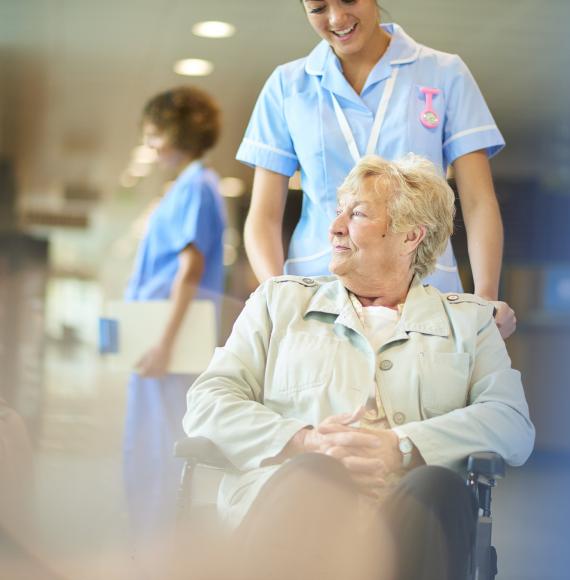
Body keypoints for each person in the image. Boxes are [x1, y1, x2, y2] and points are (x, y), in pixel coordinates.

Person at [183, 155, 534, 580]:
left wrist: (403, 446)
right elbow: (206, 401)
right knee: (317, 474)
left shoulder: (469, 322)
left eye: (358, 214)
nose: (334, 227)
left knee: (439, 486)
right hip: (291, 505)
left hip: (406, 515)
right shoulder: (278, 303)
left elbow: (512, 421)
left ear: (410, 236)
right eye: (338, 212)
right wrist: (304, 441)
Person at [237, 0, 516, 338]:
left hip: (424, 290)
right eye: (318, 8)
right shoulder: (287, 86)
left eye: (349, 0)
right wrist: (275, 295)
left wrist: (486, 298)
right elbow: (264, 215)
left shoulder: (444, 74)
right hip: (316, 296)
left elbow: (477, 201)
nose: (337, 18)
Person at [123, 86, 226, 560]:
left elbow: (189, 269)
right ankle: (149, 550)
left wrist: (164, 343)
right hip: (159, 340)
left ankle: (160, 556)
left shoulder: (198, 186)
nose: (149, 144)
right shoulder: (186, 186)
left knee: (162, 449)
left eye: (153, 134)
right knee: (147, 448)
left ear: (176, 132)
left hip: (170, 344)